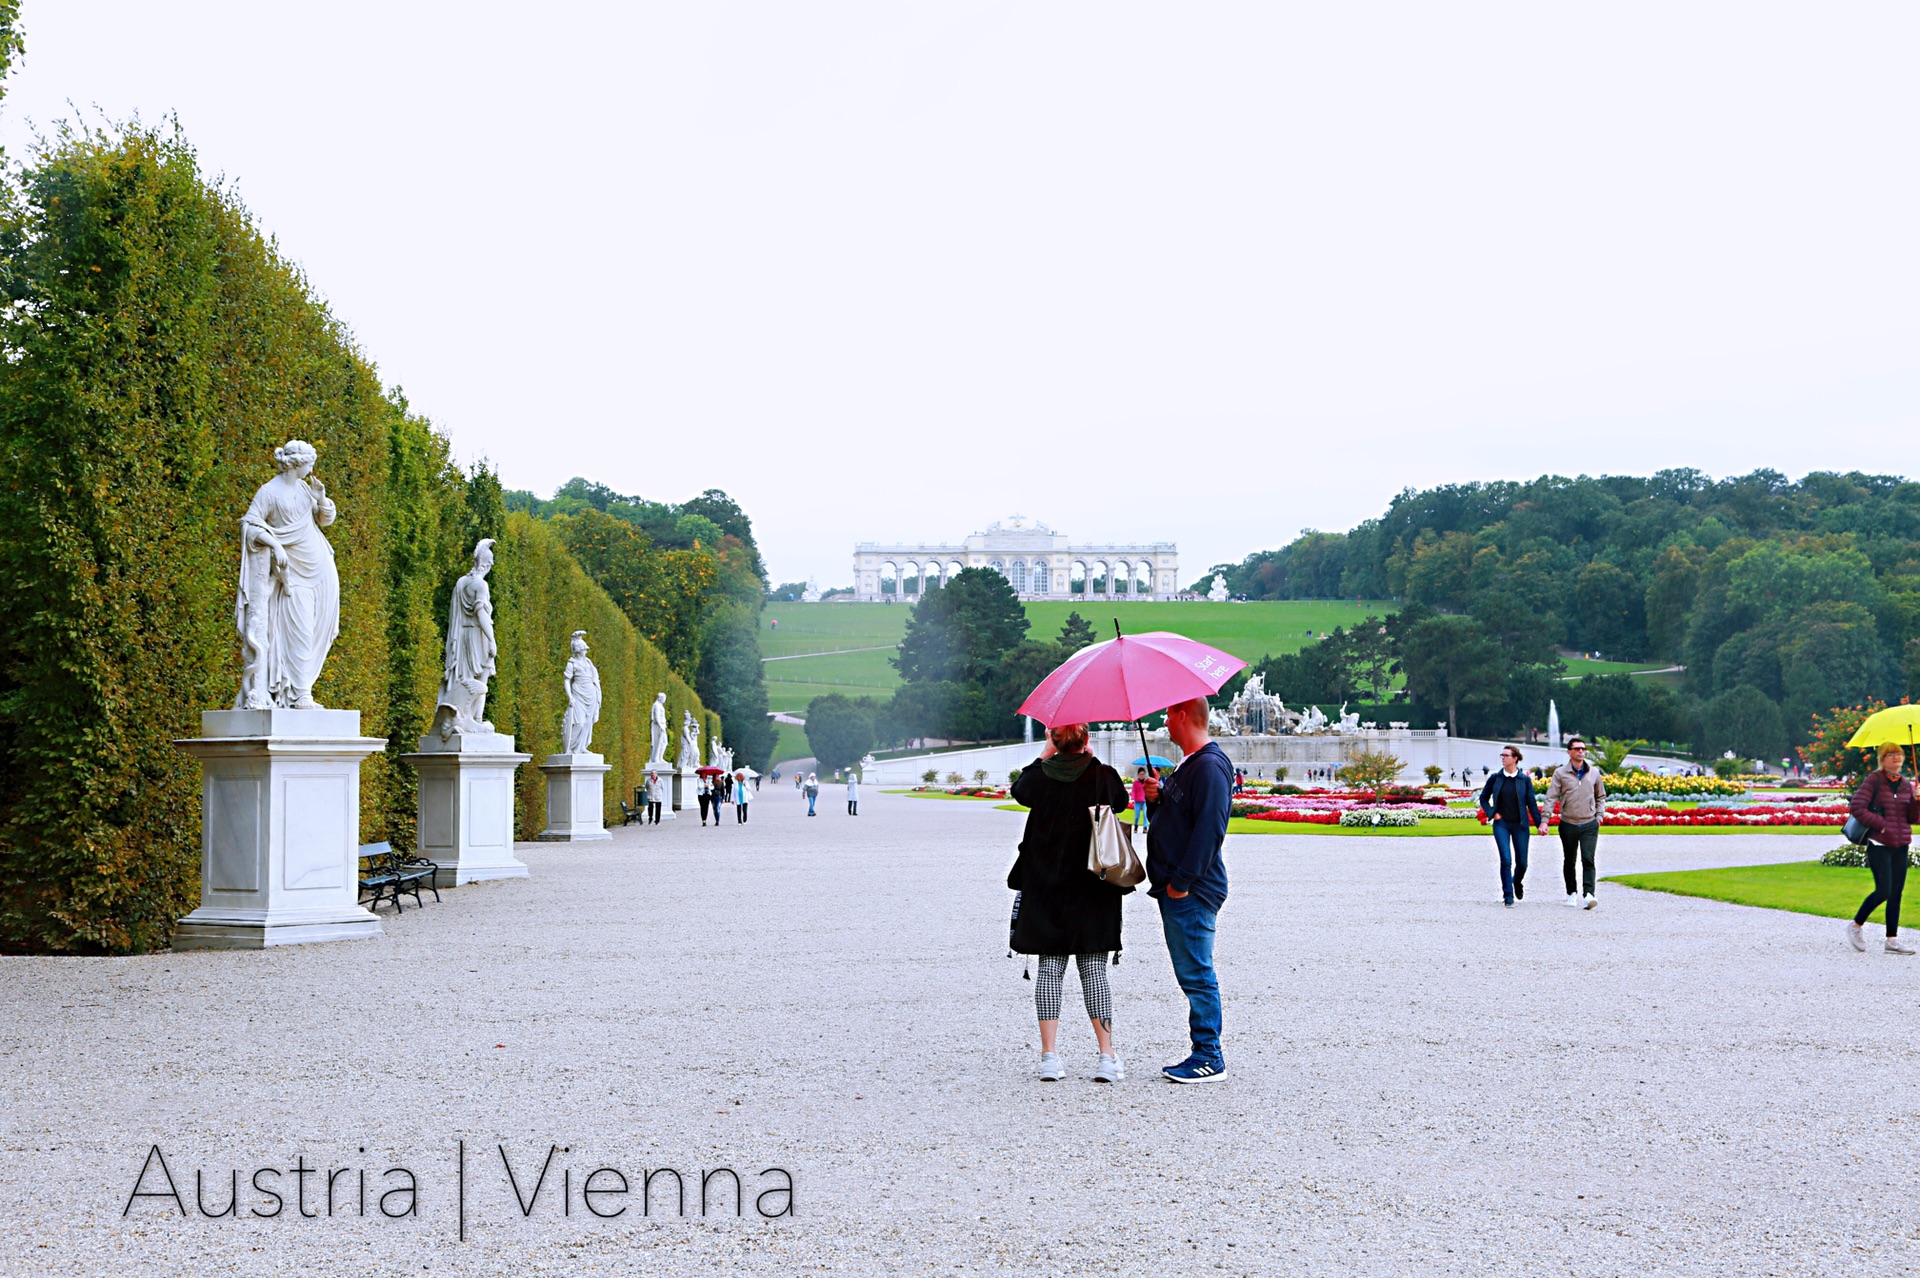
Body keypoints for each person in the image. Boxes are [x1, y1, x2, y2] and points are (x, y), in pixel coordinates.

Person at [1008, 722, 1132, 1083]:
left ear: (1054, 741)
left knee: (1049, 971)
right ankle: (1106, 1056)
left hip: (1047, 886)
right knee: (1094, 971)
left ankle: (1049, 1057)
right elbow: (1122, 803)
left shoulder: (1037, 778)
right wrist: (1093, 761)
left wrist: (1046, 753)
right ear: (1087, 739)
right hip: (1093, 885)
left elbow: (1020, 789)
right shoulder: (1102, 776)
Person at [1141, 697, 1233, 1083]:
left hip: (1191, 890)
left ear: (1182, 716)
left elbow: (1210, 831)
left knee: (1196, 972)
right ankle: (1204, 1051)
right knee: (1191, 971)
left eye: (1167, 713)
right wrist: (1159, 797)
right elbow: (1184, 817)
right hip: (1179, 886)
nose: (1163, 720)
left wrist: (1181, 883)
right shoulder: (1191, 764)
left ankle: (1209, 1055)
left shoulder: (1209, 766)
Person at [1847, 745, 1919, 954]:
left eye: (1899, 754)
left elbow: (1913, 818)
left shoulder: (1906, 784)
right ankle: (1856, 926)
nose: (1896, 757)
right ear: (1882, 759)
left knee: (1896, 892)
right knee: (1884, 890)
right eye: (1891, 754)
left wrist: (1916, 801)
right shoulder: (1874, 780)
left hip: (1901, 843)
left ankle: (1892, 940)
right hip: (1879, 843)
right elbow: (1857, 807)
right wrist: (1881, 824)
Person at [1479, 746, 1545, 907]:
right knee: (1506, 860)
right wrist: (1492, 813)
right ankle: (1508, 895)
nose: (1503, 758)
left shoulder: (1524, 780)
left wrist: (1540, 823)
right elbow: (1483, 798)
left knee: (1522, 863)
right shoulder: (1495, 778)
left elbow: (1532, 804)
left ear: (1515, 758)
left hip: (1520, 825)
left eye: (1506, 755)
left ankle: (1517, 882)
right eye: (1502, 755)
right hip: (1502, 824)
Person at [1545, 737, 1606, 909]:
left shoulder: (1594, 773)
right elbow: (1551, 797)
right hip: (1568, 823)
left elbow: (1600, 796)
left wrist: (1599, 815)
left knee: (1588, 858)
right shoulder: (1560, 773)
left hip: (1589, 823)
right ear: (1569, 751)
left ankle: (1589, 894)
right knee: (1569, 859)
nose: (1581, 751)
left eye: (1583, 749)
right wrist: (1545, 819)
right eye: (1577, 748)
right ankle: (1571, 892)